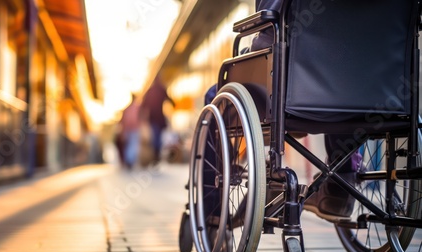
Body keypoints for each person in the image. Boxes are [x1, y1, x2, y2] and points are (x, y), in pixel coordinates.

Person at [202, 0, 359, 223]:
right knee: (349, 75)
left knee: (213, 98)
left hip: (286, 87)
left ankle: (213, 212)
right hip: (368, 89)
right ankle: (341, 181)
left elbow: (269, 23)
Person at [140, 76, 175, 165]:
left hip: (152, 120)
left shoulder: (150, 91)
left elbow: (143, 105)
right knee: (157, 137)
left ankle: (156, 155)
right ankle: (156, 154)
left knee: (155, 137)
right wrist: (174, 104)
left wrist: (143, 118)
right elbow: (168, 99)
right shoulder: (161, 89)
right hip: (159, 119)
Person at [118, 94, 141, 169]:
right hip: (133, 129)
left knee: (129, 146)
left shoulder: (127, 109)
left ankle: (129, 160)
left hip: (128, 130)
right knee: (133, 145)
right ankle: (130, 161)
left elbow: (122, 121)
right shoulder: (137, 108)